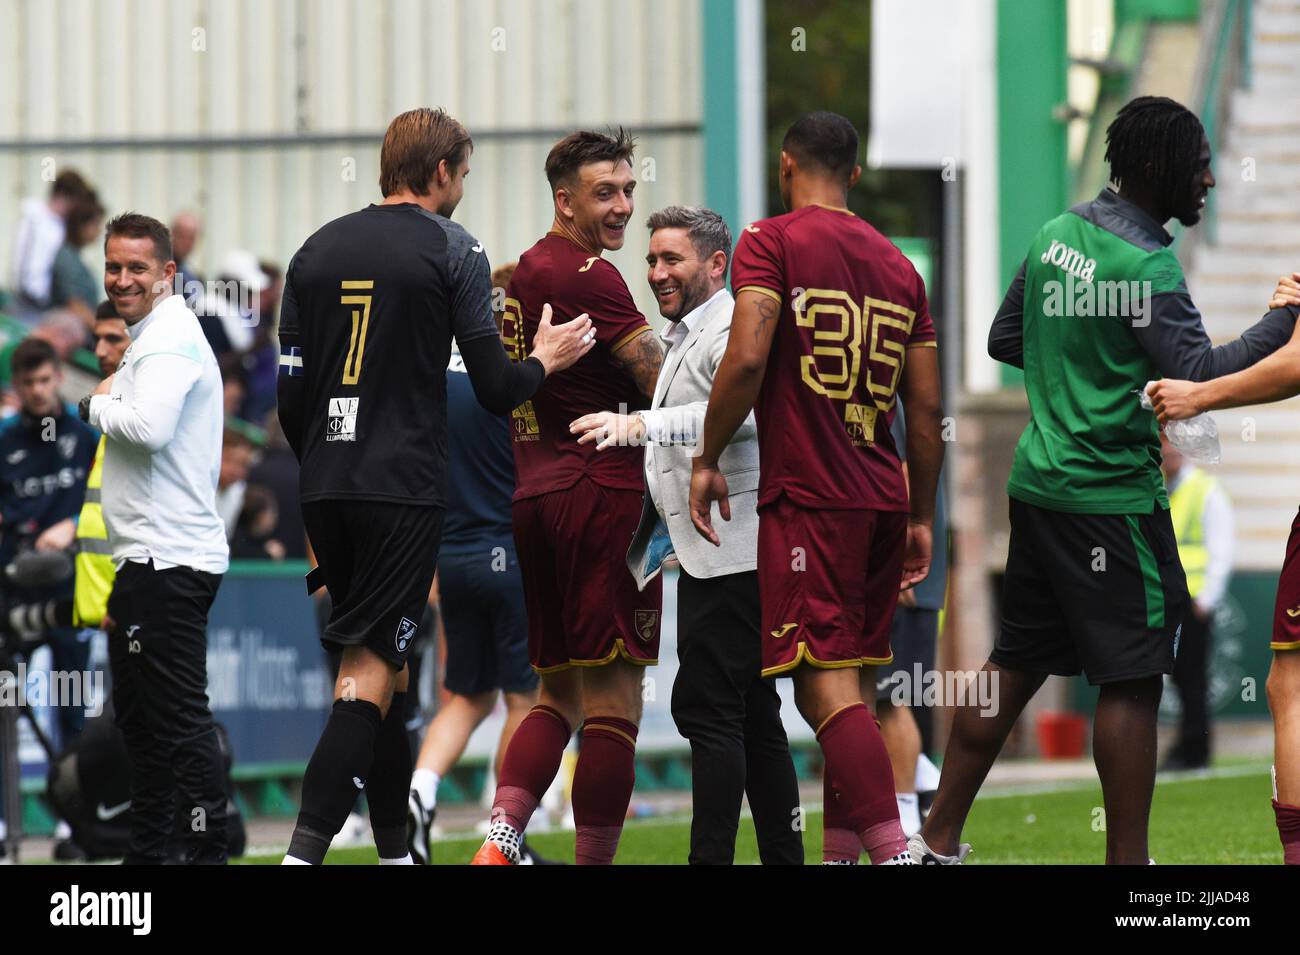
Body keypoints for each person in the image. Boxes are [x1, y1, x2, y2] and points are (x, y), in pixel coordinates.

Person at [915, 96, 1298, 866]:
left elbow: (1002, 337)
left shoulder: (1057, 233)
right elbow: (1195, 375)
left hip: (1039, 487)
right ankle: (1129, 865)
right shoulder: (1145, 264)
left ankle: (935, 841)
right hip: (1112, 500)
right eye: (1199, 168)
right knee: (1133, 678)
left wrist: (1078, 372)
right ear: (1160, 171)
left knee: (1013, 665)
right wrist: (1280, 320)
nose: (1212, 181)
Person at [275, 107, 594, 866]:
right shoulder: (455, 248)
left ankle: (395, 854)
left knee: (392, 669)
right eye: (465, 173)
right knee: (370, 672)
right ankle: (300, 857)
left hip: (325, 482)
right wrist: (545, 358)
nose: (464, 189)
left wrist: (325, 461)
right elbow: (493, 386)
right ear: (443, 171)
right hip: (400, 489)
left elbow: (290, 397)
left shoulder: (313, 250)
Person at [690, 111, 943, 866]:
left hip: (811, 496)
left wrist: (707, 454)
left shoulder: (771, 241)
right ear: (856, 176)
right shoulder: (901, 268)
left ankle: (897, 855)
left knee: (820, 691)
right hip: (881, 494)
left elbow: (744, 358)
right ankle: (837, 858)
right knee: (855, 689)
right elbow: (926, 409)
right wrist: (922, 513)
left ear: (785, 163)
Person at [572, 206, 803, 865]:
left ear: (715, 264)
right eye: (651, 259)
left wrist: (641, 426)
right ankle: (784, 857)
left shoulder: (730, 323)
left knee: (707, 708)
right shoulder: (690, 331)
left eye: (671, 259)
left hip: (733, 550)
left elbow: (746, 413)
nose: (656, 272)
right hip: (721, 550)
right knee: (753, 713)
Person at [471, 129, 665, 866]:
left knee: (555, 696)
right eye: (604, 193)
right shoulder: (590, 275)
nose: (621, 207)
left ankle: (497, 845)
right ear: (565, 199)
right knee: (617, 702)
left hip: (536, 498)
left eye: (627, 190)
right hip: (601, 497)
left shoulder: (522, 273)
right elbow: (664, 384)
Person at [80, 212, 231, 865]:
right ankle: (146, 861)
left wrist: (93, 403)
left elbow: (150, 425)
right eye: (113, 266)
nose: (122, 278)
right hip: (144, 562)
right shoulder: (153, 334)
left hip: (169, 562)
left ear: (168, 272)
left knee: (177, 727)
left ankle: (205, 855)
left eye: (137, 267)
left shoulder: (169, 335)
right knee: (143, 729)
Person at [406, 261, 557, 866]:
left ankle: (419, 794)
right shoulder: (517, 381)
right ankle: (507, 839)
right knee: (526, 701)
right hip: (511, 552)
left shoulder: (440, 379)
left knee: (465, 697)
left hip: (452, 553)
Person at [1147, 280, 1300, 864]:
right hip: (1175, 600)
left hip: (1197, 600)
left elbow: (1293, 363)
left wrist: (1201, 396)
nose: (1209, 180)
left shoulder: (1202, 491)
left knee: (1290, 686)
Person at [871, 404, 949, 838]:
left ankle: (906, 816)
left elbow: (899, 470)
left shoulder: (890, 390)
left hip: (902, 579)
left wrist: (895, 562)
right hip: (911, 577)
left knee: (887, 696)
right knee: (887, 696)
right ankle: (922, 785)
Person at [1158, 432, 1232, 771]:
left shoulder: (1204, 490)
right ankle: (1186, 748)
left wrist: (1207, 599)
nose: (1166, 450)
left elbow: (1222, 547)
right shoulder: (1160, 488)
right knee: (1177, 678)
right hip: (1167, 600)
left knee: (1191, 680)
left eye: (1171, 443)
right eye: (1162, 443)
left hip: (1192, 602)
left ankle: (1194, 750)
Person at [72, 301, 131, 633]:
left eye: (113, 340)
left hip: (131, 595)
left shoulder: (142, 410)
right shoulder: (109, 418)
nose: (99, 351)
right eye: (97, 340)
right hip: (104, 603)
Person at [10, 170, 93, 321]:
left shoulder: (37, 218)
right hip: (34, 302)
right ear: (65, 197)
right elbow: (32, 269)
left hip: (30, 299)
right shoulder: (44, 225)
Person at [49, 193, 107, 335]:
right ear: (81, 226)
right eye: (96, 224)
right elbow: (75, 305)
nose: (99, 231)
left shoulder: (74, 256)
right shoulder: (67, 258)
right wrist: (103, 330)